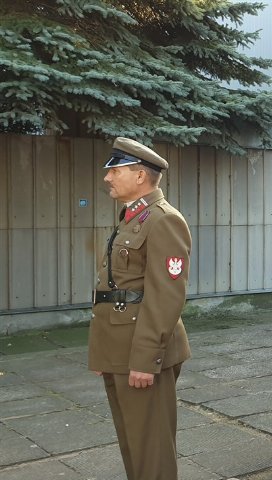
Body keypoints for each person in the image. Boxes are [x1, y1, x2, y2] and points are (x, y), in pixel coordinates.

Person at [89, 137, 192, 480]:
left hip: (142, 352)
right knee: (133, 442)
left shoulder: (163, 220)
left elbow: (166, 297)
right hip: (120, 347)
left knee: (151, 448)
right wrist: (103, 353)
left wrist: (145, 360)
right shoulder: (133, 217)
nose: (107, 177)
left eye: (115, 171)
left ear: (139, 176)